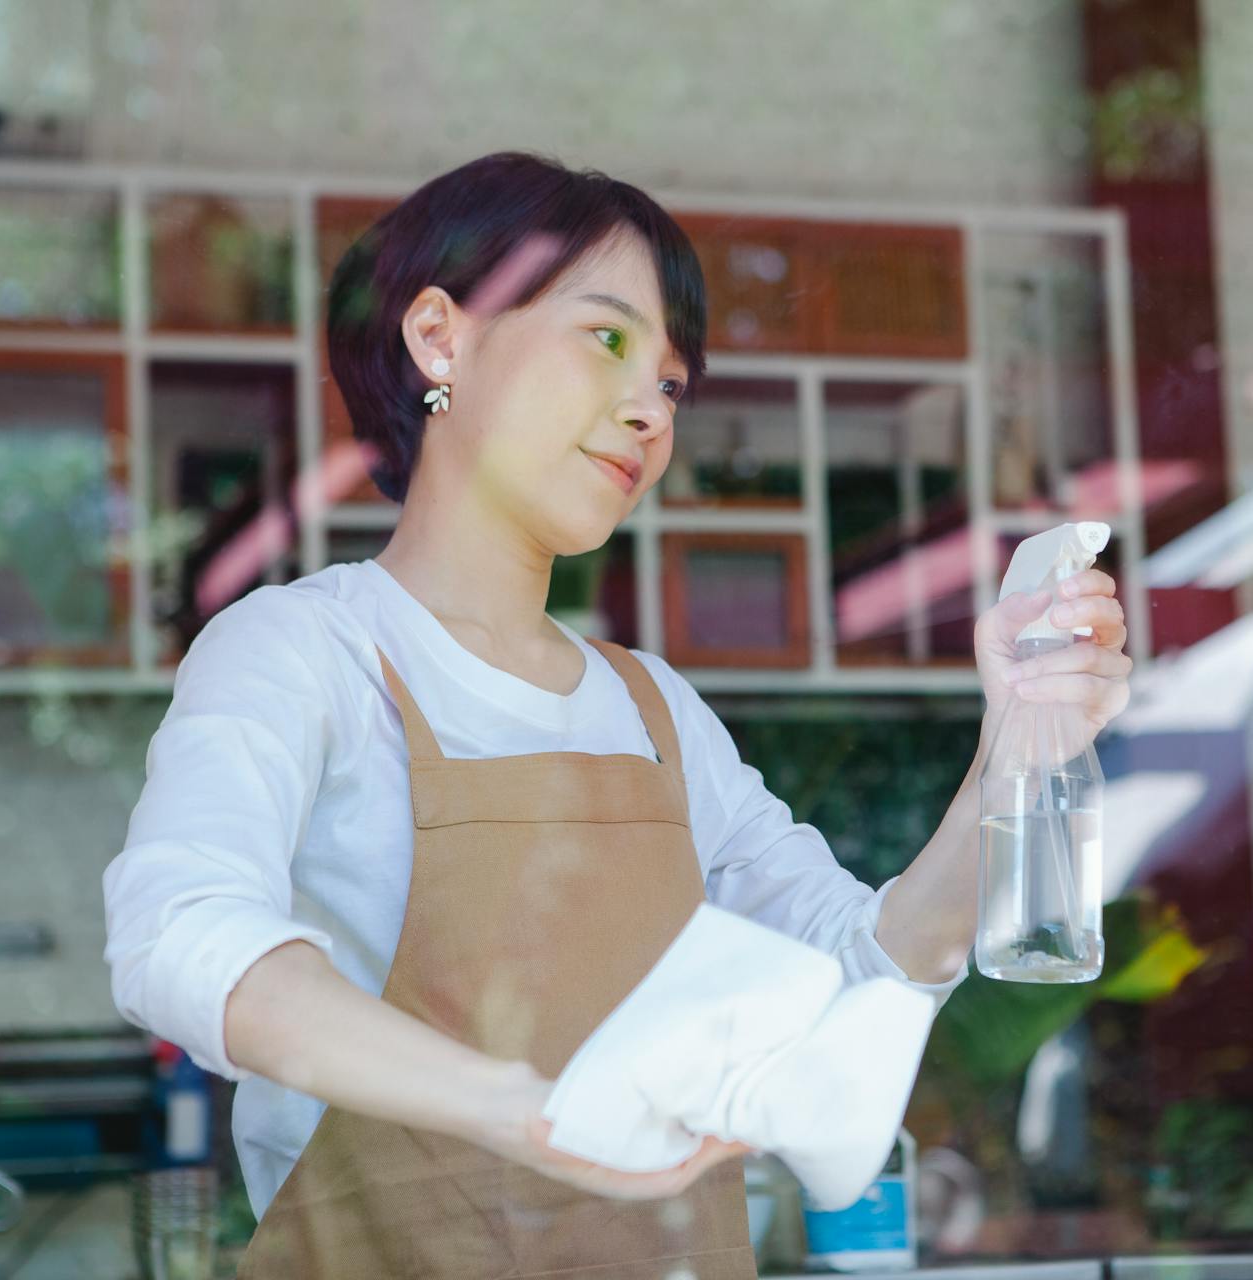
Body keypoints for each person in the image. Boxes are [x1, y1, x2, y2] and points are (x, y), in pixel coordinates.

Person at [101, 151, 1134, 1278]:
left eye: (674, 383)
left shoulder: (656, 709)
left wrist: (1016, 750)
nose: (648, 409)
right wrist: (520, 1106)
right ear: (440, 336)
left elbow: (860, 970)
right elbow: (182, 935)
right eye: (606, 340)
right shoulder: (304, 650)